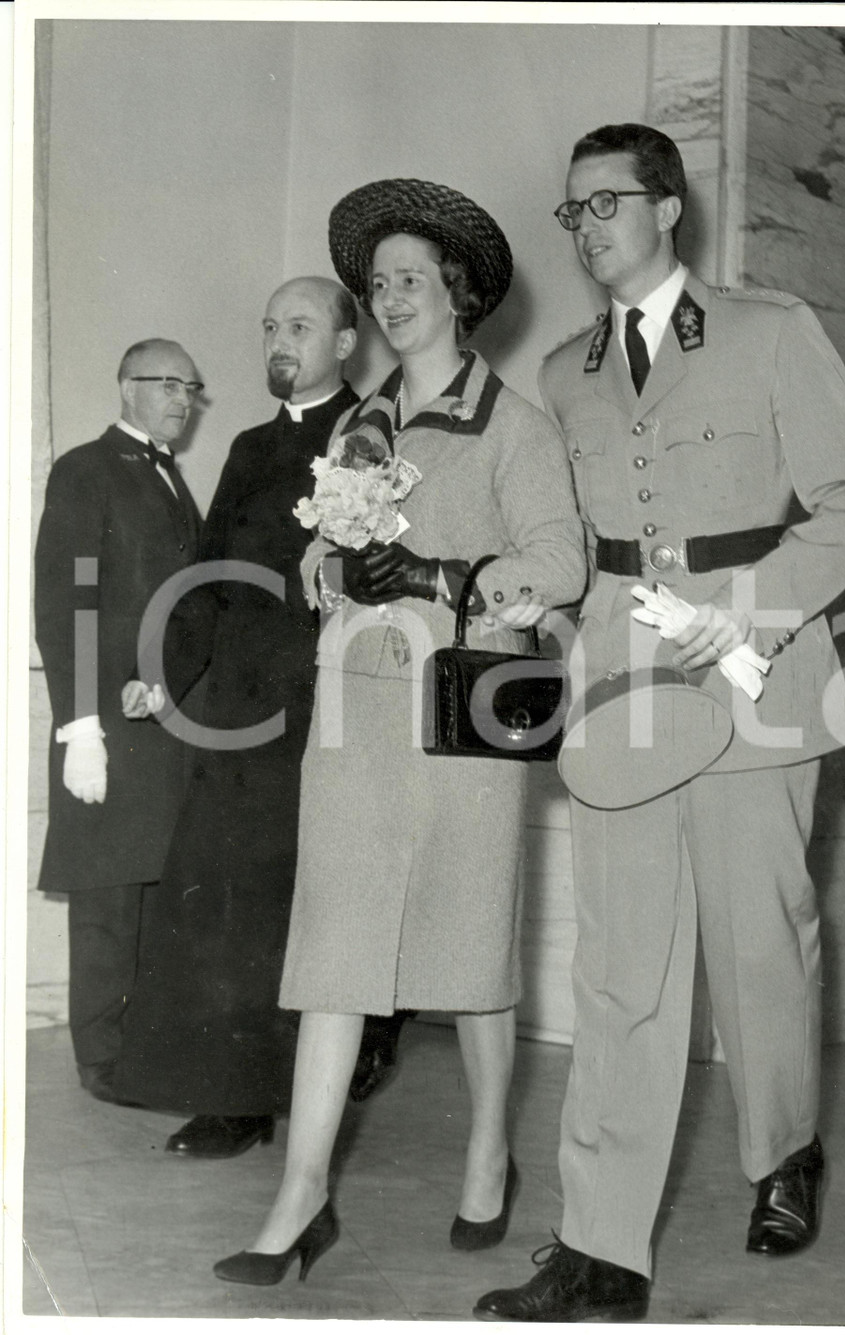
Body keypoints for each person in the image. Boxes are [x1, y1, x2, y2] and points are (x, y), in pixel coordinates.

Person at [474, 123, 845, 1322]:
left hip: (754, 677)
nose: (587, 225)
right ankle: (601, 1248)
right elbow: (571, 546)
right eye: (572, 210)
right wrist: (521, 586)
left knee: (760, 943)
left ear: (668, 209)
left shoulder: (771, 332)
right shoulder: (560, 375)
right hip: (622, 694)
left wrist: (742, 611)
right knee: (619, 970)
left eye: (606, 201)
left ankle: (784, 1150)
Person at [212, 178, 585, 1285]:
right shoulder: (356, 430)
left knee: (469, 955)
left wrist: (441, 573)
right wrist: (332, 566)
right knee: (333, 946)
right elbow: (316, 555)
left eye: (410, 280)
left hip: (464, 712)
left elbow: (560, 563)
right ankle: (302, 1193)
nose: (389, 299)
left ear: (459, 294)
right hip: (356, 715)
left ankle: (485, 1152)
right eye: (377, 285)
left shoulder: (514, 426)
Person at [115, 279, 410, 1155]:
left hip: (330, 705)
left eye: (301, 326)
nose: (280, 342)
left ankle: (349, 1054)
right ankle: (234, 1095)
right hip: (240, 711)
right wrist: (164, 677)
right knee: (224, 901)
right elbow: (207, 578)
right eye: (271, 327)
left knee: (306, 903)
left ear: (348, 341)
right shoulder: (247, 445)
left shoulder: (378, 435)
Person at [34, 338, 204, 1103]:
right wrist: (79, 727)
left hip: (161, 722)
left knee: (149, 896)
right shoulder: (85, 469)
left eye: (189, 386)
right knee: (106, 902)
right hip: (104, 724)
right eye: (163, 382)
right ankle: (101, 1059)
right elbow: (65, 601)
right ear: (124, 388)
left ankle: (135, 1048)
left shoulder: (170, 479)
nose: (179, 397)